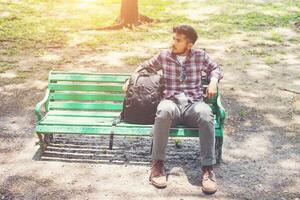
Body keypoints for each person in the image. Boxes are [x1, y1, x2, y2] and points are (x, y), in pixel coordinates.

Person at [123, 25, 223, 194]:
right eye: (173, 38)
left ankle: (207, 169)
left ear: (189, 44)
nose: (173, 42)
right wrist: (130, 80)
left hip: (193, 105)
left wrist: (213, 82)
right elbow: (144, 67)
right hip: (171, 103)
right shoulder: (164, 56)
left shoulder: (200, 56)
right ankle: (157, 165)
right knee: (163, 110)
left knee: (206, 114)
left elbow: (215, 69)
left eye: (178, 40)